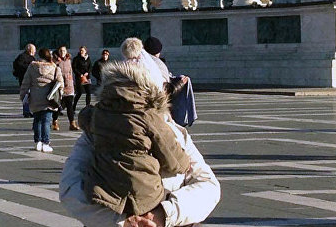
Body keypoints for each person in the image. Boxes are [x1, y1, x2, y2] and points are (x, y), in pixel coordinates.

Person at [61, 38, 221, 227]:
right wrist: (133, 221)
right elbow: (199, 179)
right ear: (160, 95)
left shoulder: (95, 128)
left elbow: (69, 188)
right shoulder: (169, 131)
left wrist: (160, 215)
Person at [78, 61, 190, 219]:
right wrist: (186, 164)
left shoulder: (97, 112)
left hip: (102, 189)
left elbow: (83, 118)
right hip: (143, 194)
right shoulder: (148, 115)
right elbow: (174, 161)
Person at [19, 48, 62, 153]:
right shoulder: (54, 67)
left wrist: (23, 95)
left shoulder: (32, 67)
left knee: (37, 120)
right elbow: (60, 83)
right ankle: (45, 143)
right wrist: (59, 96)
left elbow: (25, 82)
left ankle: (37, 142)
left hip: (35, 97)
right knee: (46, 121)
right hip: (49, 98)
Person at [55, 45, 76, 131]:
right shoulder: (55, 61)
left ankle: (72, 123)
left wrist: (72, 82)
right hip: (59, 86)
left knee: (70, 105)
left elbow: (71, 72)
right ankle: (54, 121)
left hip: (69, 85)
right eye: (61, 51)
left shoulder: (69, 61)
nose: (62, 52)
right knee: (57, 105)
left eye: (64, 51)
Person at [14, 43, 36, 117]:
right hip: (24, 79)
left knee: (31, 96)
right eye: (34, 50)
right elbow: (19, 65)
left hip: (31, 79)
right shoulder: (22, 57)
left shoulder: (32, 57)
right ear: (30, 50)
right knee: (26, 95)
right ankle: (26, 111)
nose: (35, 52)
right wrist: (29, 67)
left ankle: (29, 110)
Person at [72, 46, 92, 111]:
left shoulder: (88, 58)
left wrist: (88, 72)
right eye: (80, 50)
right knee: (79, 92)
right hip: (79, 77)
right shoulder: (76, 59)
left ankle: (87, 107)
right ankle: (73, 106)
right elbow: (74, 68)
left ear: (85, 51)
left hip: (86, 77)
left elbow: (90, 66)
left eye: (82, 50)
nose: (81, 52)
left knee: (88, 92)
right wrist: (80, 74)